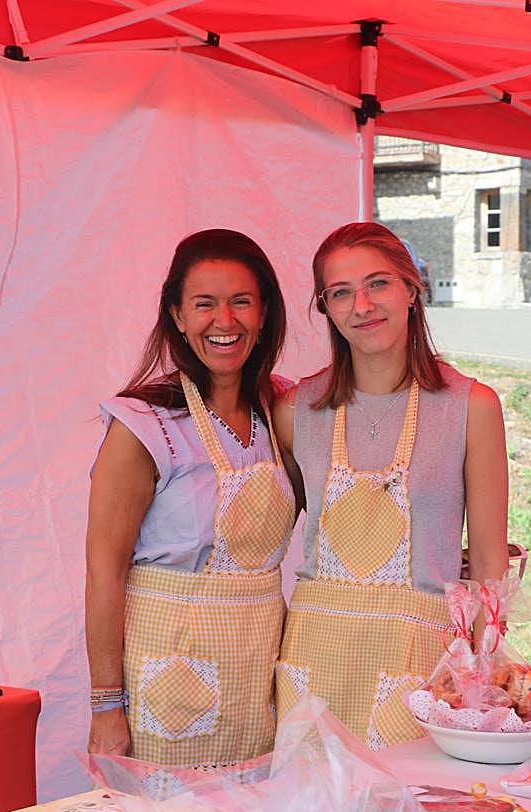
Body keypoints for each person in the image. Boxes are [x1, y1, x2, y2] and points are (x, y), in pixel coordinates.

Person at [273, 222, 508, 750]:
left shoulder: (472, 407)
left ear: (411, 288)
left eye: (378, 283)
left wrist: (481, 677)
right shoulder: (295, 411)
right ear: (326, 308)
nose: (362, 305)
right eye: (340, 292)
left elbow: (490, 563)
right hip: (313, 659)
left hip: (415, 664)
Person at [85, 229, 295, 765]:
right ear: (177, 316)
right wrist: (106, 707)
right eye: (204, 304)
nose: (224, 322)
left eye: (240, 302)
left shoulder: (282, 410)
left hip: (257, 676)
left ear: (263, 313)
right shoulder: (143, 424)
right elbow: (104, 570)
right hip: (166, 681)